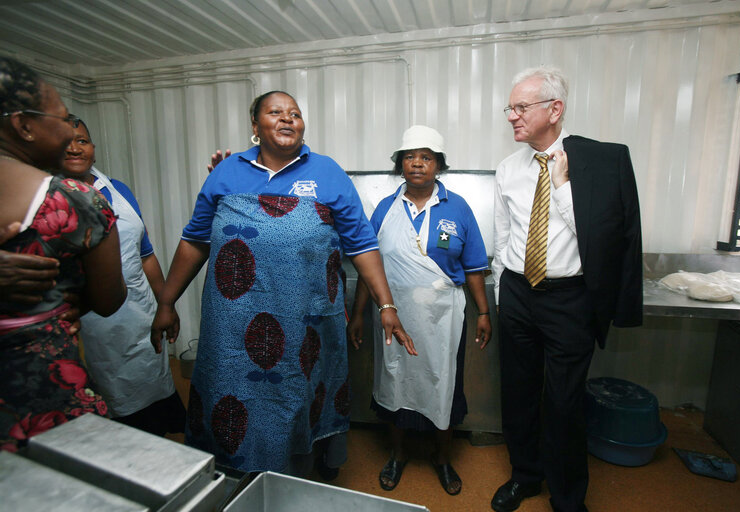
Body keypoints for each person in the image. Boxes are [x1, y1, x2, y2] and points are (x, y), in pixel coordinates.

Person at [151, 90, 413, 475]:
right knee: (236, 392)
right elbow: (195, 240)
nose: (288, 119)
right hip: (233, 323)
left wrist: (386, 305)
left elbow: (362, 245)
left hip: (305, 320)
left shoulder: (327, 173)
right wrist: (167, 302)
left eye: (295, 113)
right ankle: (234, 470)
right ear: (255, 126)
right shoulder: (227, 172)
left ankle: (299, 474)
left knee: (297, 394)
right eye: (276, 112)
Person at [491, 66, 642, 512]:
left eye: (521, 107)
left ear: (554, 110)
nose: (512, 116)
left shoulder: (598, 164)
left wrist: (561, 188)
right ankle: (525, 477)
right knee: (518, 395)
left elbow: (603, 241)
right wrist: (504, 289)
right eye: (510, 108)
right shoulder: (507, 169)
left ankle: (568, 497)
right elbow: (503, 237)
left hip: (569, 299)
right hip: (518, 293)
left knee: (563, 403)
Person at [347, 125, 491, 495]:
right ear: (400, 165)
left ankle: (442, 459)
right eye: (409, 157)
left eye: (426, 157)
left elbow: (474, 266)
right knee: (395, 380)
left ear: (438, 165)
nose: (417, 164)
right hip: (392, 315)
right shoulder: (384, 209)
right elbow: (367, 266)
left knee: (442, 383)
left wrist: (484, 312)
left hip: (442, 319)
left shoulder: (457, 208)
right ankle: (397, 454)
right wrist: (358, 315)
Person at [0, 56, 126, 451]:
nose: (71, 134)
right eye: (64, 119)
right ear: (23, 125)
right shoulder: (73, 200)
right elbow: (109, 300)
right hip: (36, 395)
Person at [60, 120, 186, 437]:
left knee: (154, 391)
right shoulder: (51, 202)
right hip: (91, 323)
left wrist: (165, 304)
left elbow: (145, 254)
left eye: (82, 140)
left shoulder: (117, 189)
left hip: (140, 315)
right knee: (116, 408)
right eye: (65, 142)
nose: (75, 148)